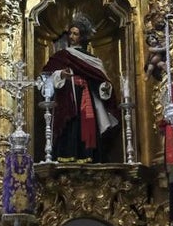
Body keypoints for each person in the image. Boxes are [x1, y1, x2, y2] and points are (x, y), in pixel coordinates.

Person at [41, 15, 119, 162]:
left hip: (86, 97)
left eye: (75, 34)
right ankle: (68, 155)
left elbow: (100, 80)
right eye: (70, 33)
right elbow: (46, 76)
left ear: (82, 37)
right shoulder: (62, 56)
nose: (71, 37)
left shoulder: (92, 60)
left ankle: (88, 155)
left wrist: (105, 86)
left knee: (86, 122)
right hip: (68, 98)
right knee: (70, 124)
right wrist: (60, 74)